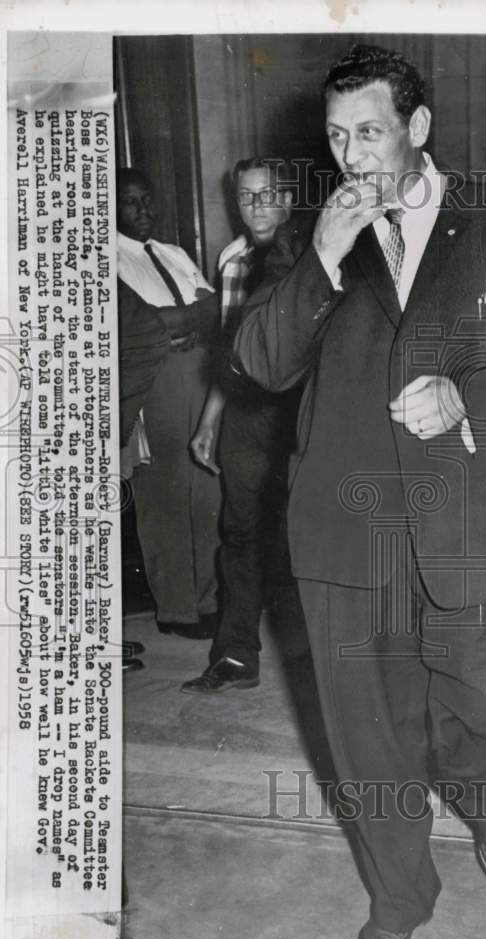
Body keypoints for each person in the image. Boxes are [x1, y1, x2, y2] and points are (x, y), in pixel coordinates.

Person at [233, 44, 486, 939]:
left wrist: (468, 399)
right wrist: (320, 255)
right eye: (336, 135)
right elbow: (257, 362)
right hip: (348, 531)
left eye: (370, 131)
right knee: (370, 735)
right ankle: (400, 891)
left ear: (418, 129)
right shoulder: (311, 236)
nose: (353, 154)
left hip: (483, 518)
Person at [180, 158, 301, 693]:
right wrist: (210, 421)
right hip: (248, 414)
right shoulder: (232, 260)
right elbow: (228, 353)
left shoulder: (317, 254)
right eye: (246, 196)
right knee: (241, 532)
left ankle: (321, 662)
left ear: (289, 197)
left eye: (267, 193)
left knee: (306, 532)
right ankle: (234, 656)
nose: (256, 205)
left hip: (302, 410)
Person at [116, 168, 221, 639]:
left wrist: (190, 316)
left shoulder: (174, 253)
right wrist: (191, 314)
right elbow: (150, 324)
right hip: (153, 381)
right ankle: (177, 608)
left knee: (206, 489)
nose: (143, 211)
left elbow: (215, 309)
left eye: (147, 200)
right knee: (164, 494)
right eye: (130, 203)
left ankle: (209, 599)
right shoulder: (108, 259)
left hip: (199, 368)